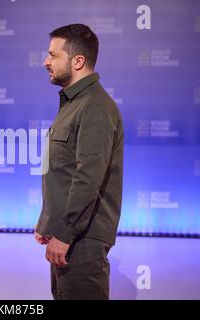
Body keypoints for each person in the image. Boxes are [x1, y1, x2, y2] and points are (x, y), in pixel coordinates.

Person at [35, 24, 124, 300]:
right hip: (69, 236)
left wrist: (65, 233)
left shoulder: (94, 106)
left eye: (53, 55)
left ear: (78, 61)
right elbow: (65, 170)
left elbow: (88, 177)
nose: (45, 62)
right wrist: (48, 222)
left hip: (82, 240)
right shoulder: (75, 103)